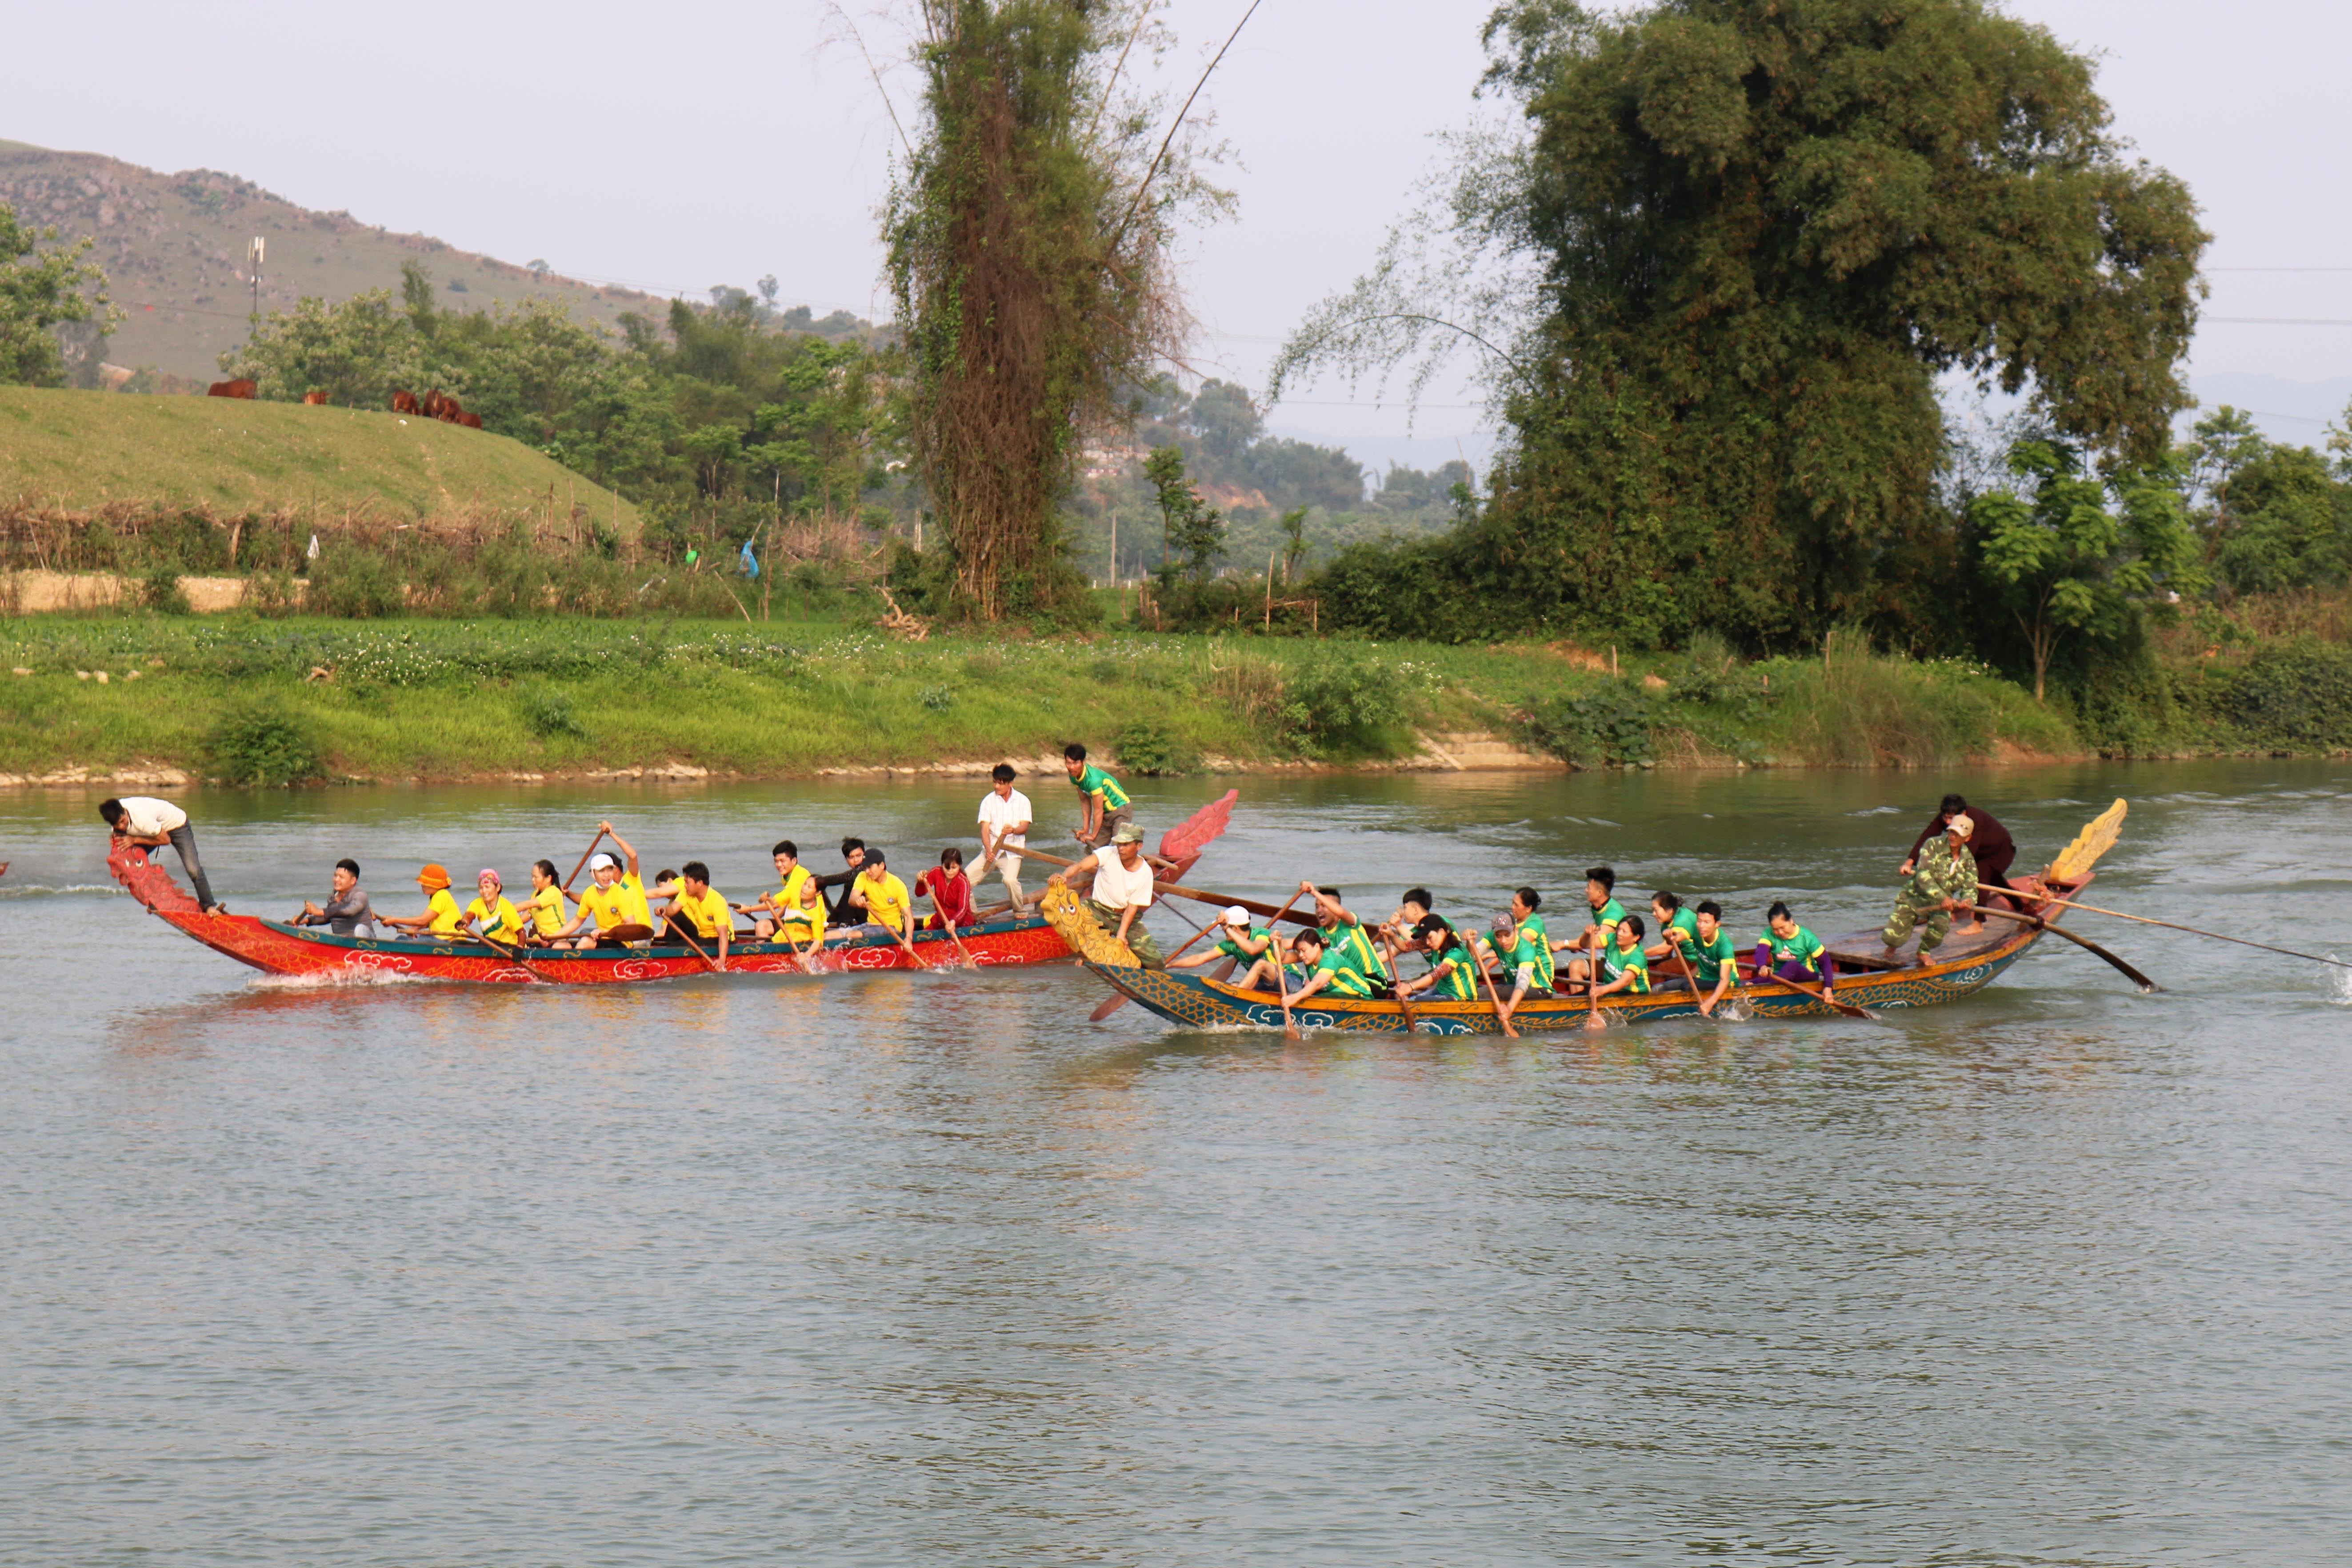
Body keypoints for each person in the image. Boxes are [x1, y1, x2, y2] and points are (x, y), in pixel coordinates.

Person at [1048, 822, 1163, 967]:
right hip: (1098, 911)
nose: (1121, 848)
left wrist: (1121, 935)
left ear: (1139, 846)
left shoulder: (1145, 872)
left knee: (1155, 961)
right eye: (1119, 844)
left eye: (1126, 844)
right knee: (1076, 920)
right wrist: (1065, 876)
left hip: (1123, 916)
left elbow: (1132, 908)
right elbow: (1081, 866)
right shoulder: (1108, 853)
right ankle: (1086, 956)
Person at [1882, 812, 1981, 964]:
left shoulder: (1968, 860)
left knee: (1940, 927)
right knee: (1892, 938)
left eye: (1958, 834)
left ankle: (1923, 952)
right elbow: (1923, 876)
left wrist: (1968, 900)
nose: (1953, 837)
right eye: (1952, 832)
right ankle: (1893, 945)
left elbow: (1971, 886)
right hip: (1914, 896)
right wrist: (1944, 898)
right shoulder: (1933, 845)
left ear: (1967, 838)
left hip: (1940, 905)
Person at [99, 795, 222, 913]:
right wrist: (116, 839)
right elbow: (120, 835)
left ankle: (209, 906)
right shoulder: (115, 817)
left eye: (123, 821)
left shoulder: (142, 818)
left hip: (176, 826)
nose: (121, 826)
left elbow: (166, 840)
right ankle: (155, 899)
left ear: (125, 812)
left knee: (193, 870)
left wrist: (134, 840)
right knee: (129, 860)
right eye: (117, 825)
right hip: (152, 831)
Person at [548, 823, 653, 948]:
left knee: (586, 940)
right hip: (608, 936)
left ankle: (579, 965)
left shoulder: (629, 882)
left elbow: (633, 855)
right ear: (593, 874)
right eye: (602, 871)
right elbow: (582, 912)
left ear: (616, 869)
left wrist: (611, 834)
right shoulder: (591, 892)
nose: (607, 875)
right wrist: (553, 938)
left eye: (610, 870)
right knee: (564, 943)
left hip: (635, 937)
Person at [1904, 793, 2016, 905]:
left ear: (1963, 814)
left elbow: (1967, 853)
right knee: (1996, 881)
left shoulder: (1975, 821)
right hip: (1979, 851)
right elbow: (1927, 836)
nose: (1948, 822)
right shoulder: (1946, 816)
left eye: (1951, 819)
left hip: (1999, 851)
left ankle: (1978, 921)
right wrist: (1910, 862)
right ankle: (2019, 904)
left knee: (1980, 879)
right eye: (1945, 817)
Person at [1302, 882, 1392, 997]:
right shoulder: (1319, 935)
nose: (1319, 910)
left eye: (1324, 905)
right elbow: (1297, 945)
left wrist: (1314, 892)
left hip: (1374, 982)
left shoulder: (1350, 923)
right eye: (1317, 907)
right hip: (1347, 983)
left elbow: (1341, 912)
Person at [1492, 886, 1556, 1026]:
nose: (1512, 907)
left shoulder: (1535, 923)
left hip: (1541, 973)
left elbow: (1516, 948)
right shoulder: (1514, 924)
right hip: (1519, 967)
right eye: (1513, 903)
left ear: (1528, 909)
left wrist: (1490, 962)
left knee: (1499, 991)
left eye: (1516, 904)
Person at [976, 764, 1034, 914]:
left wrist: (1013, 830)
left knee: (1010, 881)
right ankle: (972, 915)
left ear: (1010, 784)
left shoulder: (1023, 801)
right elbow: (985, 829)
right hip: (991, 850)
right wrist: (989, 851)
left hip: (1012, 852)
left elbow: (1025, 827)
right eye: (995, 782)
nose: (997, 786)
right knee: (965, 881)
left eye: (1001, 784)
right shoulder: (988, 801)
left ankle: (1019, 911)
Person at [743, 840, 824, 946]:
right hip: (796, 923)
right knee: (764, 925)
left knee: (761, 925)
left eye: (782, 861)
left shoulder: (799, 878)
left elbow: (775, 904)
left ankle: (763, 954)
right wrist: (778, 915)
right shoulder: (787, 875)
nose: (779, 865)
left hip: (807, 927)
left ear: (794, 860)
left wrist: (748, 909)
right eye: (776, 861)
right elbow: (787, 900)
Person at [847, 848, 920, 961]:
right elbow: (852, 899)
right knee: (831, 935)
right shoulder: (863, 877)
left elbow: (908, 916)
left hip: (892, 927)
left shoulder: (898, 885)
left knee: (852, 935)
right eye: (865, 868)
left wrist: (909, 939)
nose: (867, 872)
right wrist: (858, 900)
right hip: (871, 925)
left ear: (882, 865)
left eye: (870, 868)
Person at [1755, 900, 1837, 1001]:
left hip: (1807, 975)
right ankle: (1759, 983)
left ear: (1791, 921)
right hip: (1778, 976)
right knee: (1765, 975)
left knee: (1792, 966)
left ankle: (1761, 984)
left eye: (1783, 927)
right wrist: (1762, 966)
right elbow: (1761, 951)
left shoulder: (1807, 937)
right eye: (1776, 929)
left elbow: (1825, 962)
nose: (1780, 932)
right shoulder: (1768, 933)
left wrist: (1828, 988)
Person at [1397, 914, 1485, 1002]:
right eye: (1425, 939)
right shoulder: (1435, 943)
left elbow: (1437, 974)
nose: (1428, 943)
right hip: (1442, 991)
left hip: (1461, 998)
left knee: (1417, 1001)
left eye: (1430, 937)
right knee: (1412, 1000)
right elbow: (1405, 947)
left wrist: (1411, 987)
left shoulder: (1457, 952)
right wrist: (1390, 934)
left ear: (1442, 932)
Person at [660, 861, 732, 967]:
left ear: (699, 883)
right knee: (677, 916)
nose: (685, 886)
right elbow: (673, 909)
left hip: (718, 939)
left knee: (677, 946)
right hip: (701, 935)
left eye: (687, 882)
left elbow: (723, 934)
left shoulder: (717, 901)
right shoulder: (686, 893)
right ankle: (665, 950)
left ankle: (667, 954)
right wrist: (664, 910)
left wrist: (722, 960)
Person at [1062, 742, 1133, 848]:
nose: (1071, 767)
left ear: (1083, 762)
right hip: (1106, 814)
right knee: (1093, 849)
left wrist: (1093, 835)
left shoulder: (1094, 780)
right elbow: (1085, 801)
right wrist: (1086, 830)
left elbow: (1098, 810)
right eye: (1068, 763)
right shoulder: (1074, 776)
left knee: (1118, 848)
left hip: (1121, 810)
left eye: (1075, 763)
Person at [1171, 905, 1273, 972]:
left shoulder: (1261, 934)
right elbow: (1200, 958)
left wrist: (1227, 928)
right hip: (1262, 982)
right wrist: (1169, 965)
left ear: (1235, 929)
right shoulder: (1230, 945)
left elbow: (1253, 949)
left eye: (1224, 929)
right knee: (1234, 986)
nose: (1224, 931)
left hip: (1283, 978)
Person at [1683, 900, 1741, 1017]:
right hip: (1705, 978)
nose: (1702, 926)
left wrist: (1710, 1003)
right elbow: (1680, 936)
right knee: (1665, 987)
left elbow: (1724, 980)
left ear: (1717, 924)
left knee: (1685, 987)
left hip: (1725, 983)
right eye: (1699, 921)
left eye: (1707, 922)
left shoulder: (1725, 946)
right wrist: (1671, 936)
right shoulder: (1697, 931)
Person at [294, 858, 374, 938]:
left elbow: (349, 911)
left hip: (368, 942)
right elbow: (330, 916)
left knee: (360, 929)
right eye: (335, 876)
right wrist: (306, 921)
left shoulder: (360, 895)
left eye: (341, 877)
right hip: (342, 942)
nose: (336, 880)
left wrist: (318, 911)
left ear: (353, 881)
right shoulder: (333, 898)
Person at [382, 864, 466, 936]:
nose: (423, 886)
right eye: (423, 883)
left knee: (402, 940)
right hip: (441, 938)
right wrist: (415, 929)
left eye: (426, 884)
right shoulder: (438, 895)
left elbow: (422, 921)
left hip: (448, 940)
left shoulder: (441, 896)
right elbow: (428, 923)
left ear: (436, 885)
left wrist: (394, 920)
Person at [1589, 913, 1652, 999]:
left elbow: (1625, 981)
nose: (1619, 934)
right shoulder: (1613, 939)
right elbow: (1586, 944)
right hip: (1612, 990)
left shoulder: (1637, 957)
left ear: (1636, 937)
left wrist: (1602, 990)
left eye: (1624, 932)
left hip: (1634, 995)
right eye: (1619, 929)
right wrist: (1587, 934)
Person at [915, 847, 976, 933]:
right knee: (923, 934)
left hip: (961, 920)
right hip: (942, 918)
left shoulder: (963, 882)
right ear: (942, 865)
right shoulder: (936, 872)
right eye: (947, 868)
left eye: (954, 868)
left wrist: (953, 921)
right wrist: (920, 882)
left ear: (960, 866)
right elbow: (919, 894)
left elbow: (963, 908)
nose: (950, 872)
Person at [460, 869, 528, 946]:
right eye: (481, 888)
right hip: (491, 945)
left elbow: (522, 932)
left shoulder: (506, 907)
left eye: (487, 887)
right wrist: (464, 922)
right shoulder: (478, 903)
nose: (484, 891)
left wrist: (519, 949)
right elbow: (470, 915)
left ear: (498, 887)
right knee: (457, 943)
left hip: (510, 948)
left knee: (484, 942)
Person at [1376, 888, 1436, 967]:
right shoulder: (1415, 931)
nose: (1404, 912)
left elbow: (1425, 945)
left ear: (1415, 910)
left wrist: (1398, 926)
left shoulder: (1439, 924)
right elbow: (1388, 953)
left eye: (1405, 907)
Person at [816, 837, 869, 925]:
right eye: (852, 857)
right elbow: (843, 902)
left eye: (859, 856)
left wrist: (817, 880)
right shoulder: (853, 877)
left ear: (864, 854)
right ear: (846, 859)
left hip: (870, 912)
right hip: (854, 911)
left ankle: (843, 925)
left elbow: (842, 878)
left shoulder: (865, 870)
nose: (856, 860)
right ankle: (839, 922)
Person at [1645, 890, 1700, 970]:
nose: (1654, 914)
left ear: (1670, 910)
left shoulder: (1681, 922)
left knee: (1661, 969)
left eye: (1656, 910)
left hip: (1697, 962)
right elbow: (1667, 955)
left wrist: (1639, 954)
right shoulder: (1667, 924)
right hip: (1686, 958)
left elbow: (1665, 949)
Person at [521, 860, 568, 946]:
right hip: (541, 938)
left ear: (548, 879)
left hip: (558, 938)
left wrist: (507, 908)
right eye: (532, 877)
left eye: (536, 877)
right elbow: (528, 914)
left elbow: (528, 905)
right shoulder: (535, 894)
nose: (533, 880)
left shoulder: (553, 892)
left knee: (558, 947)